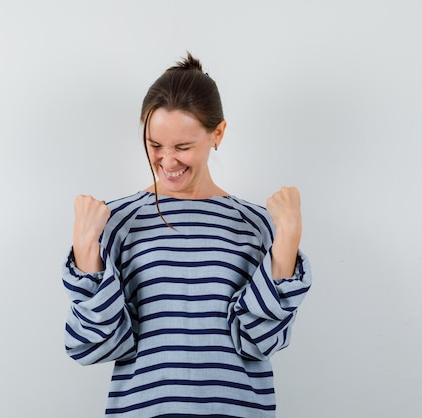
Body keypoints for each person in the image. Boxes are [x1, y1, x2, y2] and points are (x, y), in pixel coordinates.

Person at [62, 52, 312, 417]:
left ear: (218, 134)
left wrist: (286, 241)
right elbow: (91, 347)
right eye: (155, 145)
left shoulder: (257, 225)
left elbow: (260, 341)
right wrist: (86, 251)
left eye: (182, 147)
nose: (167, 161)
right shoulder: (116, 221)